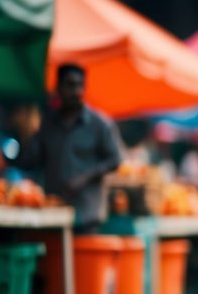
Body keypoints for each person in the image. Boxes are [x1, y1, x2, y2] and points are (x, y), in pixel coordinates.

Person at [14, 63, 124, 232]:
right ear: (58, 88)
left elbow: (115, 159)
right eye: (71, 85)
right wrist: (23, 133)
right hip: (54, 214)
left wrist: (84, 178)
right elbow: (32, 160)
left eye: (80, 86)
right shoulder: (49, 125)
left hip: (87, 215)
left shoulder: (100, 124)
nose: (76, 92)